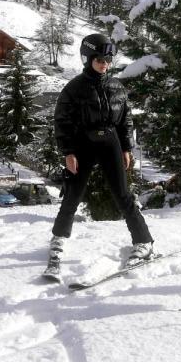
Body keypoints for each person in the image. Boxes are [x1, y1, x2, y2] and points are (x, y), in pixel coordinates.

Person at [44, 33, 154, 280]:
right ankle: (58, 240)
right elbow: (62, 122)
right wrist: (68, 152)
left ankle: (144, 241)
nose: (105, 64)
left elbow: (126, 119)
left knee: (122, 194)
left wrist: (126, 148)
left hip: (111, 142)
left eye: (108, 59)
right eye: (100, 59)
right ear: (88, 58)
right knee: (73, 193)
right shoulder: (73, 88)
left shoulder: (116, 86)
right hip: (84, 142)